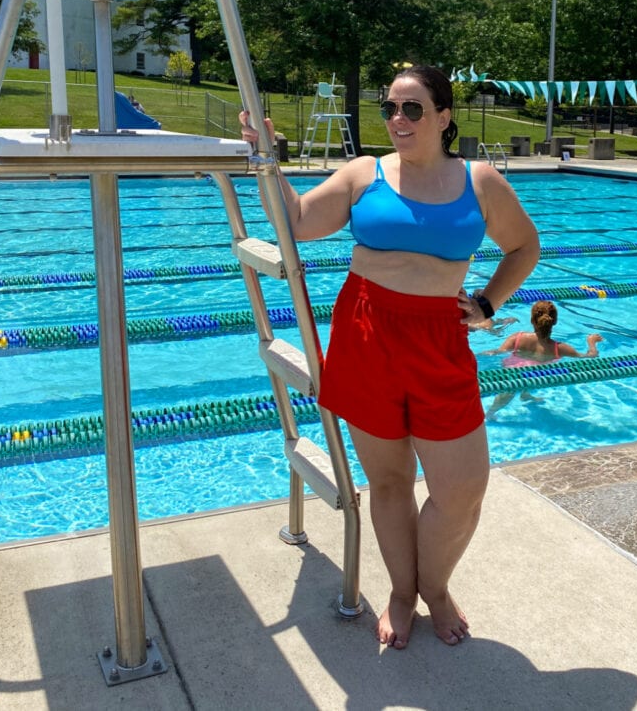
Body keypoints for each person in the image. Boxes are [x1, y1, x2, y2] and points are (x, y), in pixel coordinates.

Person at [240, 65, 539, 649]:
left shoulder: (478, 180)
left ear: (443, 117)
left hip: (438, 340)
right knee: (391, 479)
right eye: (390, 109)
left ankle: (437, 585)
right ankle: (406, 594)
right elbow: (296, 223)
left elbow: (524, 246)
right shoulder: (364, 174)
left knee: (462, 488)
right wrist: (267, 158)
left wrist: (485, 302)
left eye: (413, 109)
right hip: (367, 332)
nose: (398, 120)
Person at [483, 300, 603, 419]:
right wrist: (591, 342)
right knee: (535, 371)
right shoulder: (560, 348)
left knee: (509, 390)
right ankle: (523, 395)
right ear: (554, 322)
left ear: (532, 320)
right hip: (536, 376)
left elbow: (498, 352)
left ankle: (491, 413)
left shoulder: (517, 338)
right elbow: (590, 356)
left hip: (514, 372)